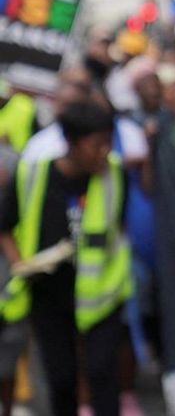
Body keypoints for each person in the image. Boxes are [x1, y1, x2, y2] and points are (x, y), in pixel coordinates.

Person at [0, 100, 132, 416]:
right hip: (49, 294)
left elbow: (119, 227)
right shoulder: (31, 174)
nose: (104, 152)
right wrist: (21, 264)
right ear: (71, 142)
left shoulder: (116, 175)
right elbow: (4, 226)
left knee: (102, 373)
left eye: (109, 143)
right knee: (61, 378)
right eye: (96, 145)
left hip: (102, 295)